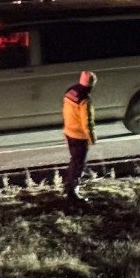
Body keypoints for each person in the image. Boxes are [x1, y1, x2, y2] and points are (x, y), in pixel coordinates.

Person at [61, 70, 98, 207]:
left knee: (74, 160)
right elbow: (87, 121)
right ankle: (73, 193)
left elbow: (65, 112)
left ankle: (68, 186)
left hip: (69, 132)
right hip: (79, 136)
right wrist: (92, 138)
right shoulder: (85, 99)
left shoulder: (70, 92)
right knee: (79, 164)